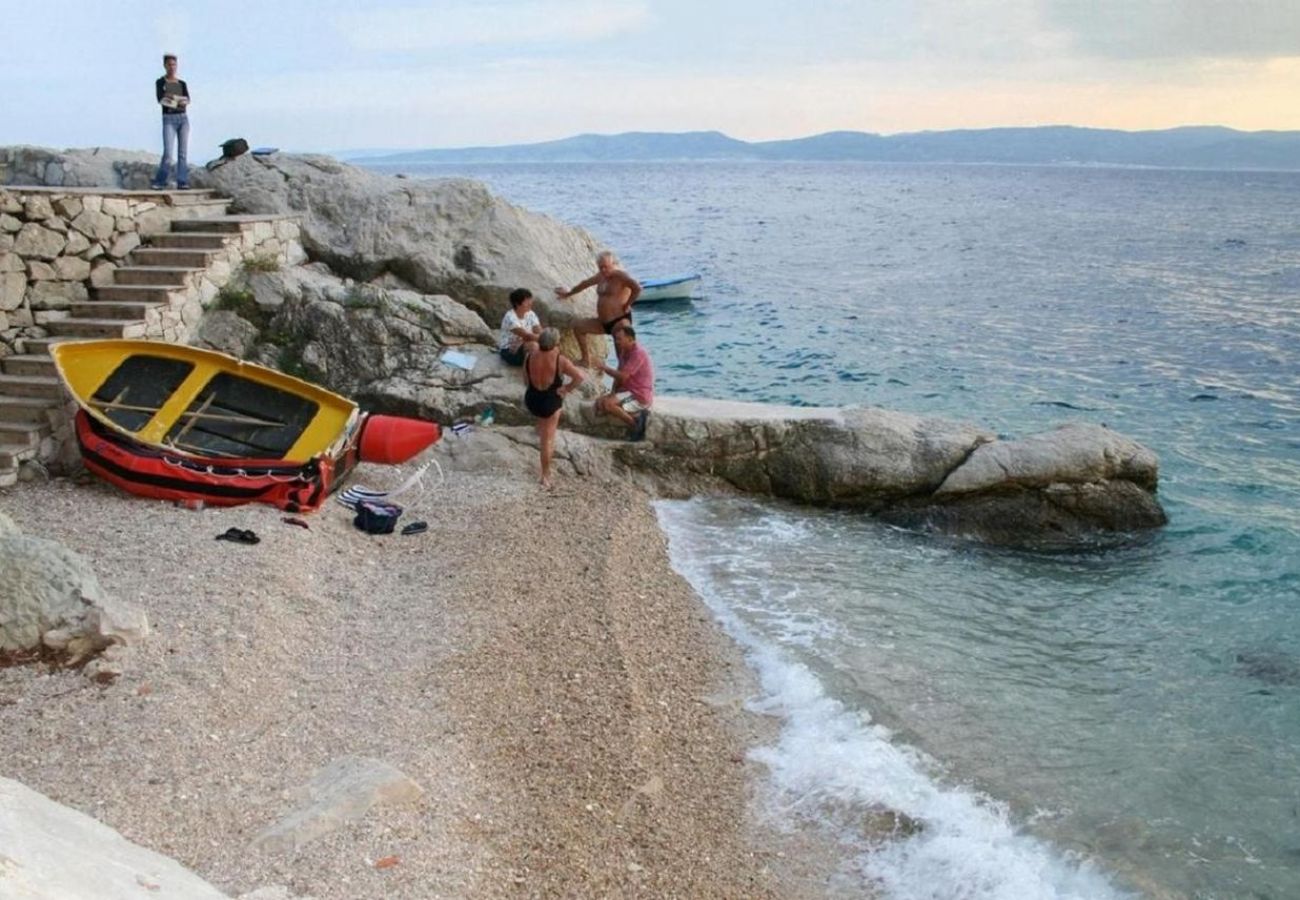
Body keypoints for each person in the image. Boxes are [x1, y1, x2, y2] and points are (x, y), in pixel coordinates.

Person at [554, 250, 640, 368]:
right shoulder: (601, 276)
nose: (604, 270)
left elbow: (637, 288)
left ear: (613, 264)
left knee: (622, 356)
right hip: (603, 322)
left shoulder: (621, 276)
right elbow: (585, 284)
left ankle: (625, 381)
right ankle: (585, 360)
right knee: (578, 327)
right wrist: (568, 294)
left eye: (606, 267)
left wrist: (627, 304)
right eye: (601, 268)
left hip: (620, 321)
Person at [524, 328, 585, 488]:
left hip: (532, 400)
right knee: (547, 440)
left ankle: (539, 426)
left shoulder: (529, 356)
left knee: (542, 416)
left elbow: (525, 380)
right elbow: (579, 377)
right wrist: (566, 389)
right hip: (550, 403)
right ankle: (545, 475)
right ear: (556, 343)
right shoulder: (560, 360)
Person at [595, 325, 654, 441]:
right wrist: (613, 392)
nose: (617, 342)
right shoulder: (624, 352)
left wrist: (605, 368)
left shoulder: (638, 353)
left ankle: (635, 425)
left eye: (619, 339)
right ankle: (636, 416)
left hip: (639, 394)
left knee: (608, 405)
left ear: (630, 339)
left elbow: (623, 376)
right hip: (628, 391)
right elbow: (619, 377)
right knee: (600, 402)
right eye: (616, 339)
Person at [151, 54, 191, 190]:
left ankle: (182, 181)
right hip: (169, 119)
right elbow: (162, 100)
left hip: (183, 119)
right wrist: (177, 100)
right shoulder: (160, 82)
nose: (172, 67)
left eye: (174, 64)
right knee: (168, 153)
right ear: (165, 66)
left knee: (183, 153)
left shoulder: (182, 83)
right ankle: (160, 181)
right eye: (169, 64)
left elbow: (187, 101)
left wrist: (172, 98)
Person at [498, 288, 542, 366]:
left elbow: (538, 330)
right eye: (527, 301)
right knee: (534, 345)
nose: (530, 303)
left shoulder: (530, 314)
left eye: (530, 300)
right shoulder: (510, 317)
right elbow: (527, 336)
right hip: (509, 350)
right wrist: (545, 339)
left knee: (550, 346)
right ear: (517, 304)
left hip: (523, 345)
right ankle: (532, 371)